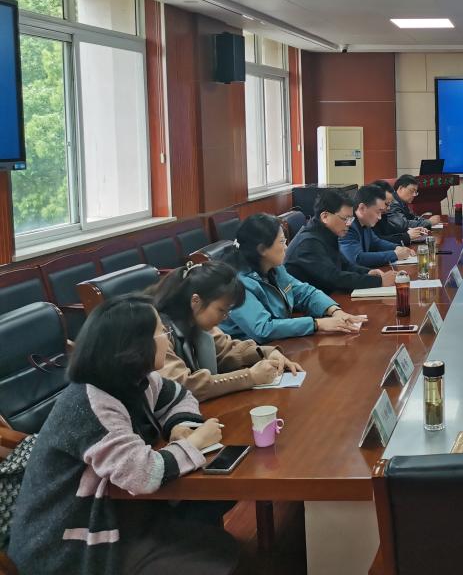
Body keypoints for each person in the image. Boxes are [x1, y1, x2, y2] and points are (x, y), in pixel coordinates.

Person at [6, 294, 238, 575]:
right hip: (68, 544)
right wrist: (196, 441)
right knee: (215, 558)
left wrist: (179, 426)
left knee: (217, 517)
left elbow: (180, 396)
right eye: (161, 332)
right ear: (134, 345)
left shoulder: (136, 379)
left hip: (118, 511)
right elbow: (143, 474)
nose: (167, 340)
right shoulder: (89, 402)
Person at [151, 260, 304, 402]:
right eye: (221, 310)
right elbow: (183, 385)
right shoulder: (157, 331)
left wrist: (266, 353)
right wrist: (249, 377)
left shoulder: (195, 320)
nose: (225, 317)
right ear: (195, 301)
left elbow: (227, 350)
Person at [218, 213, 365, 343]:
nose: (287, 247)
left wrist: (334, 311)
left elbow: (305, 293)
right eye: (282, 242)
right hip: (249, 354)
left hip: (279, 343)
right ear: (262, 249)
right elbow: (262, 329)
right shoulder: (236, 282)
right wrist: (317, 324)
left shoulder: (275, 268)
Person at [286, 189, 398, 292]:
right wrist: (379, 281)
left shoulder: (327, 234)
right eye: (345, 219)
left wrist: (368, 272)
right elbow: (334, 278)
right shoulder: (309, 243)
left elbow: (345, 265)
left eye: (351, 219)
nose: (349, 224)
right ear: (325, 217)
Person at [340, 185, 415, 268]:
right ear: (362, 208)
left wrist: (397, 247)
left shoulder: (365, 222)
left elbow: (376, 242)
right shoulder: (347, 225)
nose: (379, 217)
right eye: (378, 211)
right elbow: (357, 258)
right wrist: (395, 254)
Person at [371, 180, 428, 246]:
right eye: (386, 204)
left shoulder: (383, 213)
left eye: (390, 204)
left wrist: (413, 231)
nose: (389, 208)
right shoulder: (368, 219)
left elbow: (389, 231)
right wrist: (407, 236)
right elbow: (376, 242)